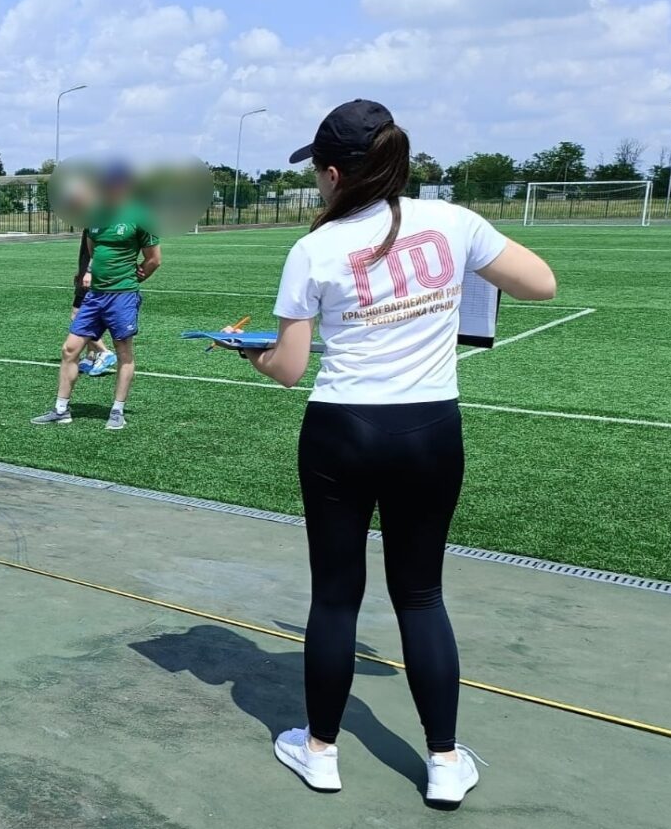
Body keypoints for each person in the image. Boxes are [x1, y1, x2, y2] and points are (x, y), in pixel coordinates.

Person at [238, 100, 556, 804]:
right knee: (420, 594)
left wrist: (250, 354)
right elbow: (541, 283)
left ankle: (320, 751)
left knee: (335, 596)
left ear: (332, 174)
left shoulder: (314, 248)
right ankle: (443, 761)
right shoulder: (454, 222)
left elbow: (289, 369)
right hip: (429, 430)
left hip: (341, 430)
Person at [32, 164, 161, 430]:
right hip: (95, 296)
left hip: (122, 296)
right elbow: (92, 250)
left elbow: (153, 260)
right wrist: (91, 272)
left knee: (124, 352)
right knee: (69, 349)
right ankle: (61, 410)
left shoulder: (140, 216)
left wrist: (134, 279)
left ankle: (117, 411)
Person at [73, 227, 116, 377]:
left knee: (77, 316)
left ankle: (104, 352)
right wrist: (81, 270)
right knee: (91, 318)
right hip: (89, 272)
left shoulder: (97, 220)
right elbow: (87, 251)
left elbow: (98, 249)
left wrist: (89, 271)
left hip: (93, 275)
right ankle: (90, 357)